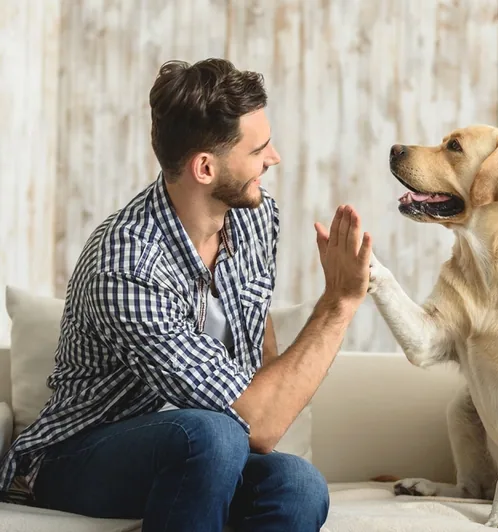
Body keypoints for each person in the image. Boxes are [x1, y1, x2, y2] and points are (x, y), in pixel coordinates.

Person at [0, 58, 372, 531]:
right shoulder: (127, 264)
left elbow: (259, 341)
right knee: (211, 434)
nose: (273, 158)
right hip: (79, 456)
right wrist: (338, 303)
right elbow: (255, 422)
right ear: (205, 167)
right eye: (258, 149)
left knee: (298, 485)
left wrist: (264, 419)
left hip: (208, 449)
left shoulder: (255, 217)